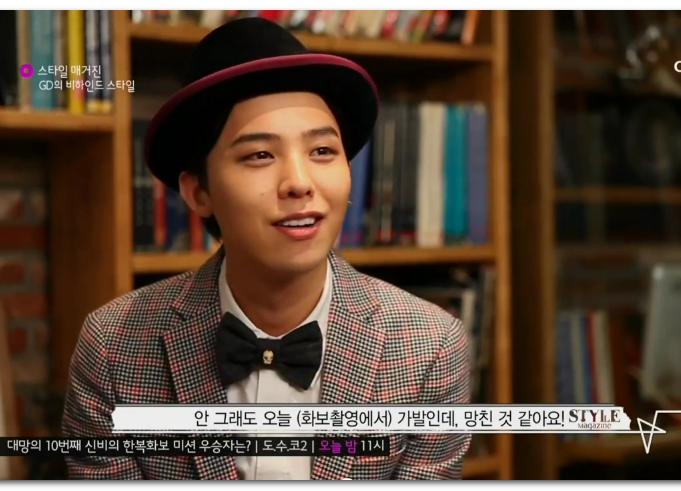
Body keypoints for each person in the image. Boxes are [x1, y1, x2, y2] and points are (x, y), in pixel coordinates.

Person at [62, 18, 470, 480]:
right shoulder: (113, 346)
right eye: (260, 155)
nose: (299, 182)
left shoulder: (429, 347)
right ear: (199, 192)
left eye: (322, 151)